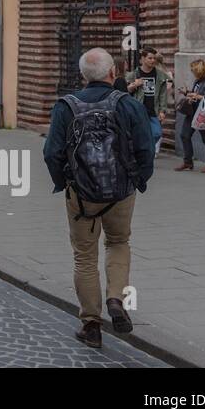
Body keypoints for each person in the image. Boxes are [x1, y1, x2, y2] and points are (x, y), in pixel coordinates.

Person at [43, 48, 156, 349]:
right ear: (113, 74)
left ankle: (91, 325)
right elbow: (146, 150)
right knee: (118, 243)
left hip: (81, 196)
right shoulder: (129, 105)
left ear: (82, 76)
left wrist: (65, 183)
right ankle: (116, 298)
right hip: (121, 192)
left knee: (84, 256)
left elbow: (51, 154)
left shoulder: (65, 107)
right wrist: (139, 181)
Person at [175, 58, 205, 174]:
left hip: (204, 113)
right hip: (193, 111)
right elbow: (196, 94)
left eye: (194, 70)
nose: (193, 73)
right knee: (184, 135)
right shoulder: (198, 81)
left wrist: (201, 97)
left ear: (200, 70)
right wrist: (187, 93)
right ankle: (187, 161)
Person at [125, 47, 171, 155]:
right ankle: (140, 153)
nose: (152, 61)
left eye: (154, 58)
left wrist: (162, 110)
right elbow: (125, 93)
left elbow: (163, 95)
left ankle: (144, 150)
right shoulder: (133, 74)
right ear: (143, 59)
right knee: (136, 135)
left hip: (153, 111)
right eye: (150, 58)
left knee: (157, 133)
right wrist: (134, 85)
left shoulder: (160, 75)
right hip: (138, 111)